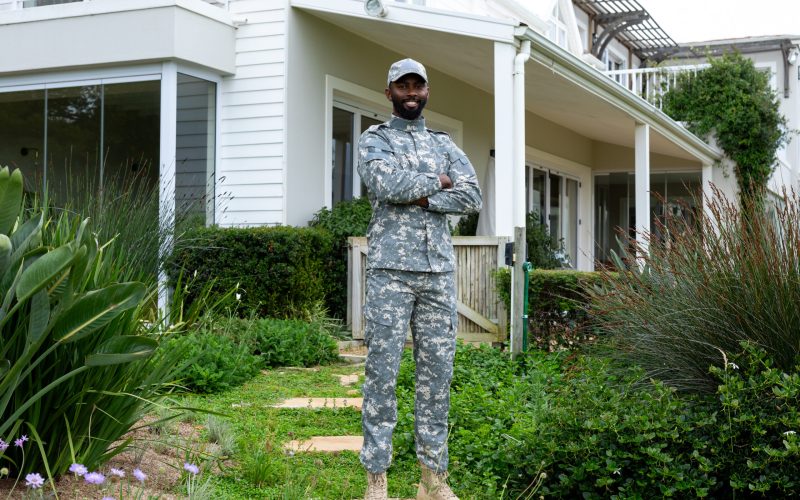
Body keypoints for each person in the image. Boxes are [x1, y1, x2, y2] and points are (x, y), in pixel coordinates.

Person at [357, 58, 482, 500]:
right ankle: (377, 477)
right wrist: (439, 183)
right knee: (382, 375)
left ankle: (433, 479)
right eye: (402, 86)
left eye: (418, 86)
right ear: (388, 91)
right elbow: (384, 184)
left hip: (438, 276)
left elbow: (471, 194)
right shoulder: (375, 139)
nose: (411, 93)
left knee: (436, 377)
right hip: (391, 272)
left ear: (427, 92)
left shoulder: (443, 142)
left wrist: (425, 195)